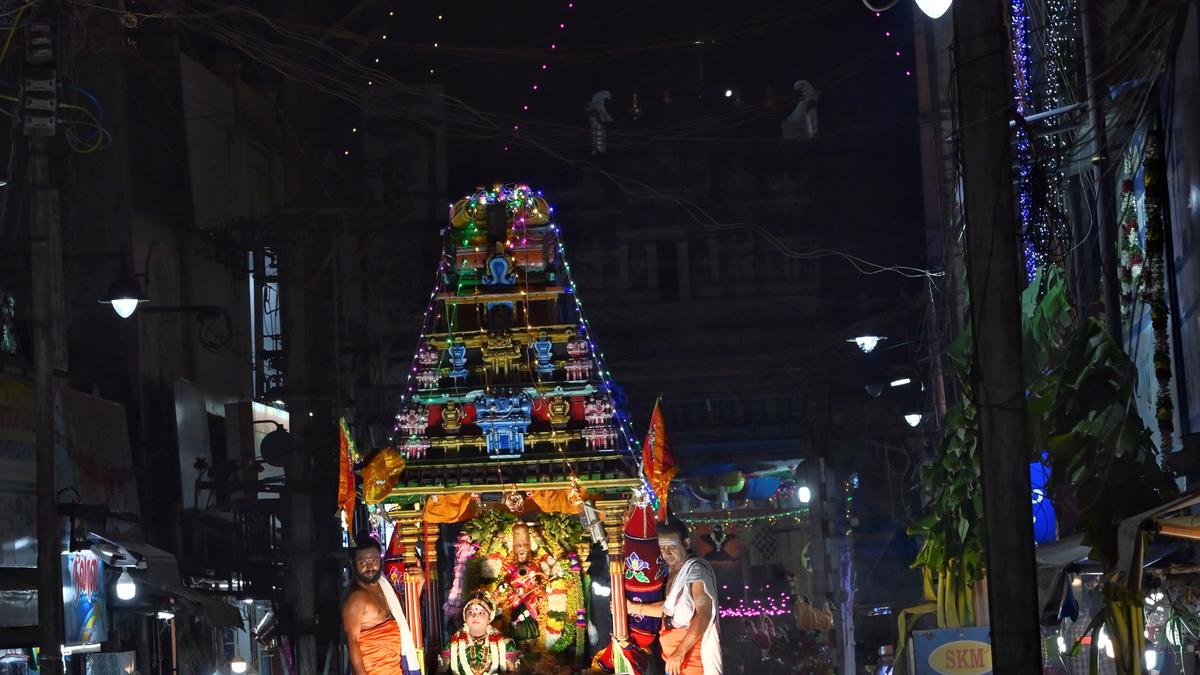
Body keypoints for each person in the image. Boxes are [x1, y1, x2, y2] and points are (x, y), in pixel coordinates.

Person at [629, 518, 722, 675]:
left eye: (672, 547)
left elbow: (703, 615)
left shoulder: (696, 571)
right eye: (662, 547)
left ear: (685, 544)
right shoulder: (673, 571)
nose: (666, 553)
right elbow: (669, 610)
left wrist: (680, 653)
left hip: (690, 658)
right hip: (672, 658)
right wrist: (632, 607)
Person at [342, 532, 424, 675]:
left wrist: (420, 582)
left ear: (380, 559)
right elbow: (352, 642)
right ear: (353, 563)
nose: (370, 567)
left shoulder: (384, 585)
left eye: (374, 560)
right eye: (363, 562)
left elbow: (404, 614)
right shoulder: (356, 598)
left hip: (395, 668)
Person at [438, 591, 520, 674]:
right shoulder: (453, 645)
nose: (475, 616)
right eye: (470, 612)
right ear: (464, 616)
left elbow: (514, 673)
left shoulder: (504, 645)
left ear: (490, 617)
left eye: (481, 613)